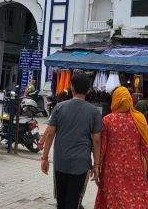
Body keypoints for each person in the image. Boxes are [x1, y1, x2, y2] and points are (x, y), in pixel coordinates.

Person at [40, 72, 102, 209]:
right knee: (74, 202)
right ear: (89, 90)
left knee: (61, 201)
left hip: (60, 162)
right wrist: (97, 164)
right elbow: (96, 140)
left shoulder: (59, 107)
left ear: (72, 87)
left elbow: (50, 134)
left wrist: (44, 158)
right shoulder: (94, 112)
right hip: (81, 164)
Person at [94, 86, 148, 209]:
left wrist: (97, 167)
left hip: (112, 170)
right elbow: (147, 149)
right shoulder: (139, 119)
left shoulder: (107, 120)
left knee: (114, 199)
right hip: (135, 168)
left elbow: (102, 148)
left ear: (115, 100)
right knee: (136, 199)